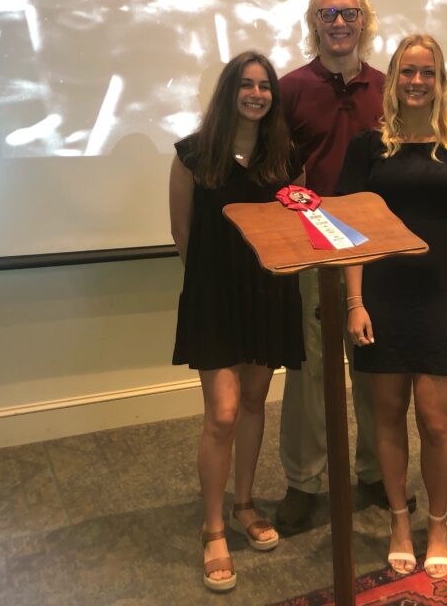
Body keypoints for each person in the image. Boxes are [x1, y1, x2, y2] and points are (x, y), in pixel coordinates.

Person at [337, 34, 447, 578]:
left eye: (428, 73)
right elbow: (350, 231)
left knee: (435, 421)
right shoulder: (367, 147)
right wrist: (354, 302)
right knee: (386, 417)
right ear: (394, 79)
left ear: (441, 81)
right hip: (379, 296)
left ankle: (440, 521)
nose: (417, 82)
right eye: (407, 72)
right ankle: (400, 520)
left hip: (441, 295)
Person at [169, 51, 305, 593]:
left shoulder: (286, 156)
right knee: (221, 414)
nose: (256, 93)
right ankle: (213, 527)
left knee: (253, 403)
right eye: (245, 85)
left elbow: (297, 224)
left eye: (264, 85)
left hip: (269, 292)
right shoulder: (194, 154)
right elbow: (184, 237)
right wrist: (213, 283)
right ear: (229, 92)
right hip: (215, 296)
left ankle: (246, 504)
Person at [277, 0, 402, 534]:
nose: (340, 23)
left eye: (349, 14)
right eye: (328, 15)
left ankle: (375, 472)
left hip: (376, 250)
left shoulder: (389, 86)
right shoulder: (290, 89)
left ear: (364, 21)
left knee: (374, 365)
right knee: (309, 370)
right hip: (312, 250)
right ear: (315, 23)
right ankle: (304, 480)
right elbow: (276, 171)